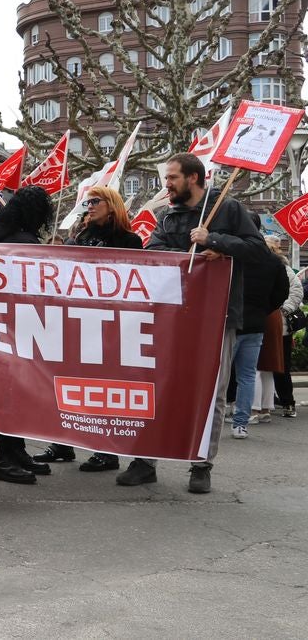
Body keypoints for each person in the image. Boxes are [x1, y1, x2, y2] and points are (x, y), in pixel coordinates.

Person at [116, 152, 267, 493]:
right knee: (155, 387)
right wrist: (189, 253)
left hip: (218, 317)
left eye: (171, 178)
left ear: (194, 178)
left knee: (212, 392)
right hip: (171, 317)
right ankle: (145, 459)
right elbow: (153, 252)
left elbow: (257, 249)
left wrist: (216, 242)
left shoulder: (228, 209)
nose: (166, 184)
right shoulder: (167, 216)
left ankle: (201, 465)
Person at [32, 186, 142, 472]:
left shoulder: (129, 240)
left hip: (109, 324)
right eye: (87, 202)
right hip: (76, 320)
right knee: (66, 384)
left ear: (112, 205)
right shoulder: (80, 236)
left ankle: (106, 451)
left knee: (103, 389)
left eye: (95, 201)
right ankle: (63, 443)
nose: (89, 206)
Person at [0, 185, 57, 484]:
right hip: (22, 327)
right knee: (16, 395)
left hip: (3, 326)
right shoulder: (24, 242)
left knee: (13, 393)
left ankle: (16, 451)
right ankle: (3, 459)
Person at [233, 225, 289, 435]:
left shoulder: (236, 258)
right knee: (247, 375)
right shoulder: (274, 262)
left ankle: (212, 421)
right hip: (257, 323)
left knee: (220, 375)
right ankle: (241, 423)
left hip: (231, 322)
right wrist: (265, 309)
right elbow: (282, 292)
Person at [266, 237, 302, 418]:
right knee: (267, 366)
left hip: (281, 325)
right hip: (266, 323)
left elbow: (296, 291)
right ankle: (270, 401)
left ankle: (287, 402)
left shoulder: (285, 270)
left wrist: (283, 310)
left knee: (281, 366)